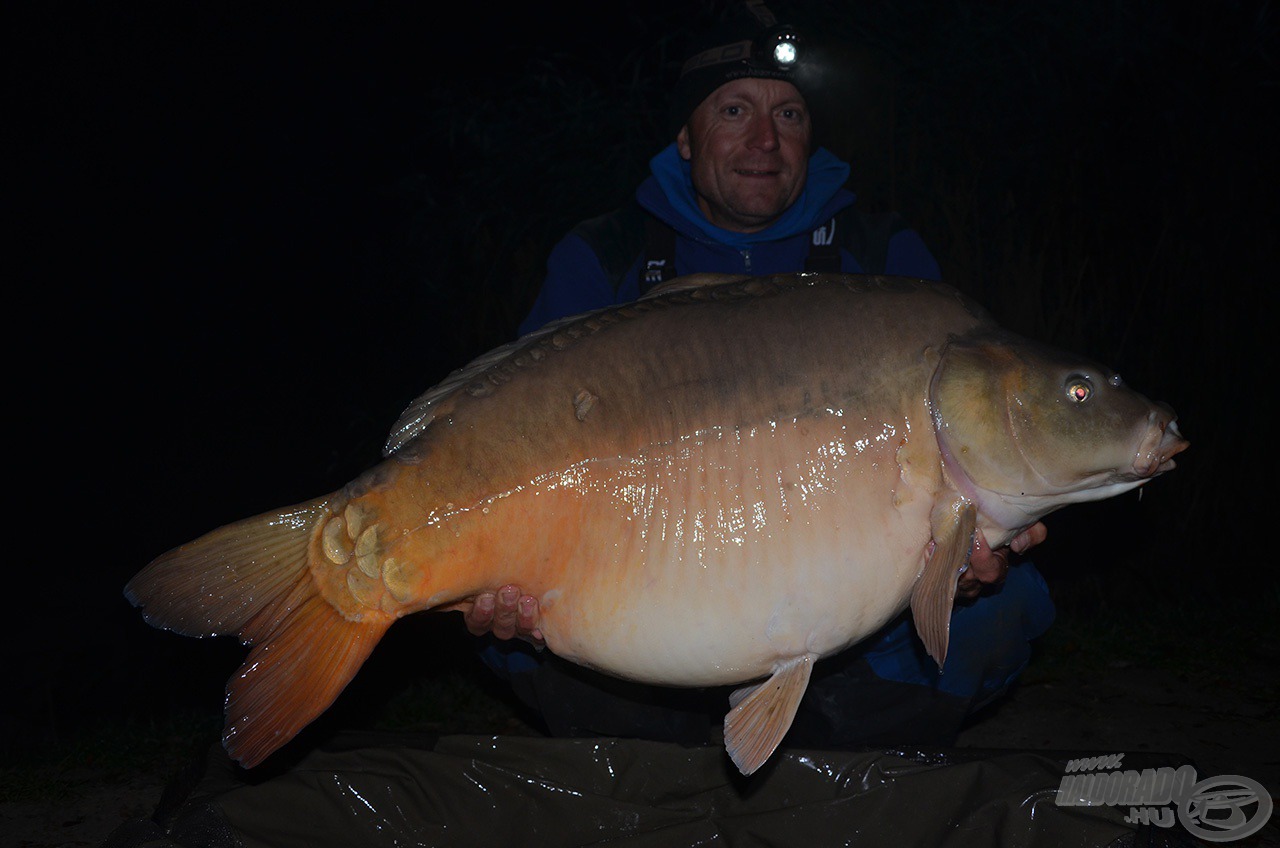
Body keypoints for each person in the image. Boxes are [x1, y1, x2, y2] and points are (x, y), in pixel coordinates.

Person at [463, 3, 1053, 750]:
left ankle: (840, 768)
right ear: (685, 136)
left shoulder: (884, 258)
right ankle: (655, 760)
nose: (765, 141)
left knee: (1005, 606)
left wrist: (963, 565)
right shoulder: (604, 255)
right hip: (627, 607)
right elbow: (504, 439)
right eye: (735, 110)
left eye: (791, 115)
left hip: (851, 625)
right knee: (493, 617)